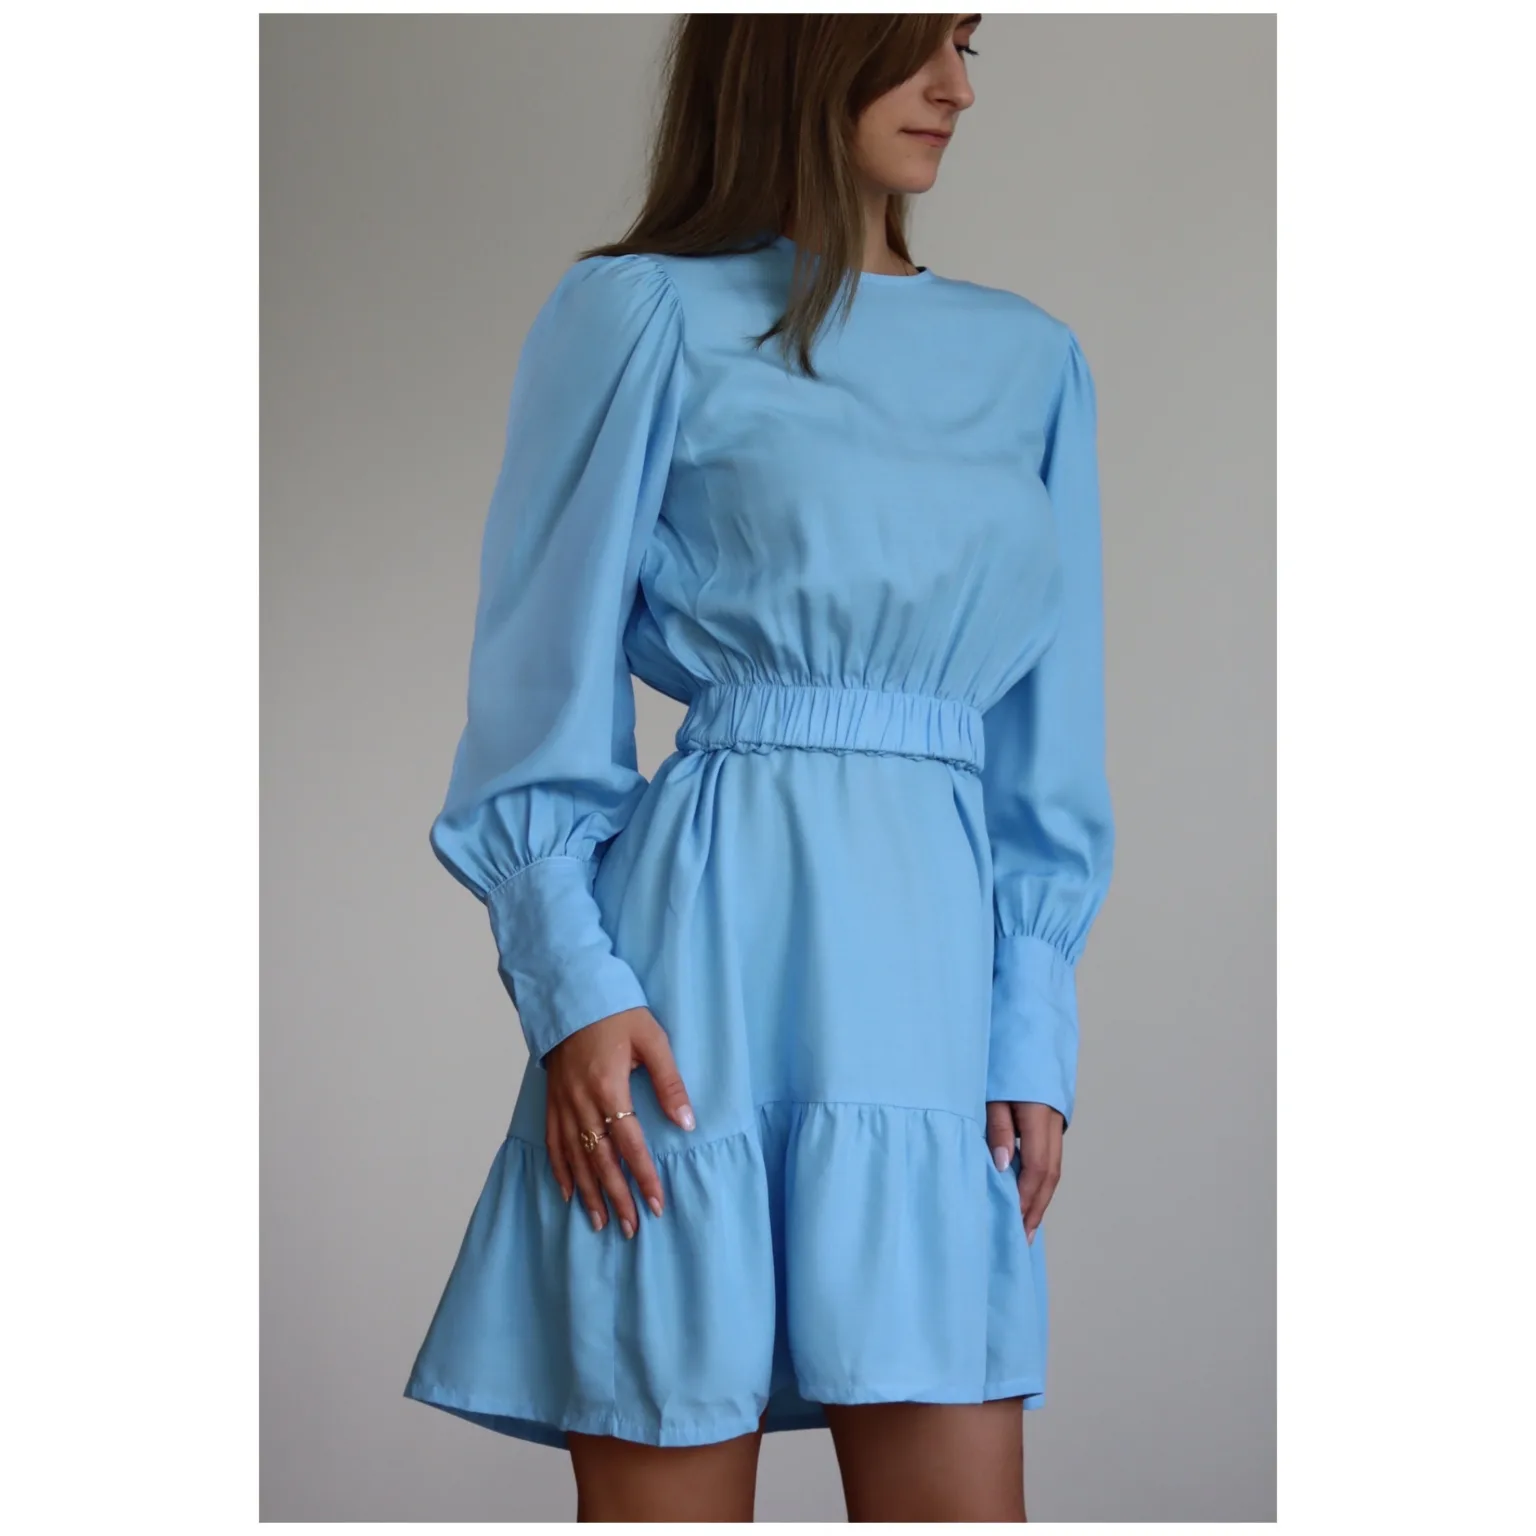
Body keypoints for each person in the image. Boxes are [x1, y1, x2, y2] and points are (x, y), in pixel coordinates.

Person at [403, 12, 1115, 1523]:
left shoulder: (1034, 361)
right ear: (794, 45)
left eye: (970, 44)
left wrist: (1031, 1026)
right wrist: (573, 986)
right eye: (915, 42)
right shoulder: (641, 314)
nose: (958, 88)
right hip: (696, 988)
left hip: (930, 1001)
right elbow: (538, 690)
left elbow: (1047, 744)